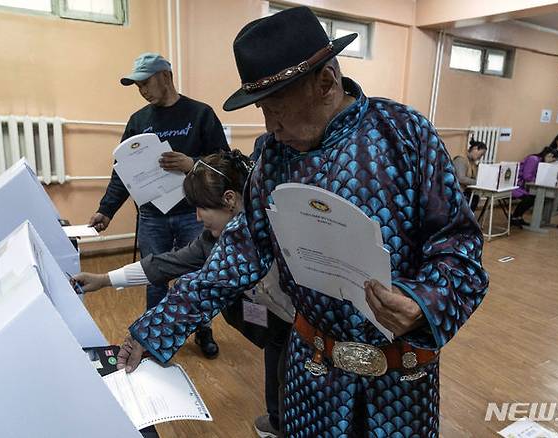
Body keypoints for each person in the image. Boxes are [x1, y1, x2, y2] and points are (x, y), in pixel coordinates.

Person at [116, 7, 488, 437]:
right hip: (311, 379)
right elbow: (240, 250)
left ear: (326, 83)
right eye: (262, 112)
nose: (270, 128)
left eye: (276, 109)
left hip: (400, 383)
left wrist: (424, 302)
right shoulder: (273, 156)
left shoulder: (404, 134)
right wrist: (157, 328)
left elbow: (458, 246)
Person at [76, 150, 293, 437]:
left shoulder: (277, 229)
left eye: (202, 207)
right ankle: (277, 421)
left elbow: (202, 288)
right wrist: (104, 279)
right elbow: (165, 264)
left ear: (229, 200)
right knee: (275, 361)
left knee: (292, 376)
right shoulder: (211, 242)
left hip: (303, 322)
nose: (197, 216)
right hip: (273, 321)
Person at [88, 52, 229, 358]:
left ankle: (202, 331)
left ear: (166, 76)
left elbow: (225, 163)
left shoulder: (200, 114)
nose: (142, 91)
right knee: (155, 276)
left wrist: (193, 163)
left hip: (194, 212)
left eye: (146, 83)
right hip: (153, 216)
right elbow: (122, 171)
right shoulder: (139, 121)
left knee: (199, 277)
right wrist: (106, 210)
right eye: (137, 86)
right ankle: (153, 335)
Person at [510, 147, 558, 226]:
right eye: (552, 160)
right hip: (514, 184)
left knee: (533, 197)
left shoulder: (540, 161)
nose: (550, 163)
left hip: (522, 185)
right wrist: (539, 179)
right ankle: (515, 217)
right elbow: (527, 176)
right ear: (550, 155)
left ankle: (518, 216)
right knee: (530, 197)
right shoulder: (533, 159)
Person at [453, 139, 488, 211]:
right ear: (475, 149)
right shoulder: (460, 159)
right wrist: (478, 182)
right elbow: (461, 178)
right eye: (481, 154)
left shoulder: (472, 163)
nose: (480, 157)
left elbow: (474, 177)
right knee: (473, 198)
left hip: (465, 192)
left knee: (475, 197)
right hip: (456, 192)